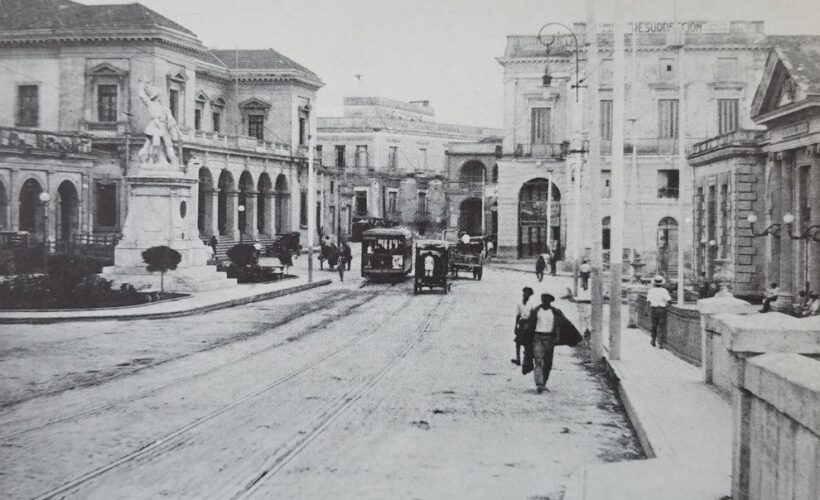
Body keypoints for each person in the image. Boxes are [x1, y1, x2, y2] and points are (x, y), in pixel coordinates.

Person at [523, 293, 580, 393]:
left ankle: (544, 381)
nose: (545, 301)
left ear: (550, 301)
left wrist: (557, 337)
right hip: (537, 337)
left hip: (549, 338)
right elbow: (529, 324)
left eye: (547, 300)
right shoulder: (536, 311)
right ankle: (539, 383)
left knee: (548, 361)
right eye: (543, 299)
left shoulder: (555, 312)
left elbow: (562, 324)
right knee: (538, 360)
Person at [512, 287, 535, 366]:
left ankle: (527, 360)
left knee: (527, 342)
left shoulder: (531, 304)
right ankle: (518, 358)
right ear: (523, 294)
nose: (526, 296)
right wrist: (516, 326)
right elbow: (518, 316)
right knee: (518, 341)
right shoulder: (519, 303)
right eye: (525, 294)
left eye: (528, 295)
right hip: (522, 323)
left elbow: (533, 314)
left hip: (528, 323)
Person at [647, 275, 672, 348]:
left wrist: (647, 310)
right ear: (661, 283)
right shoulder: (664, 291)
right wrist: (668, 305)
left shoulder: (651, 290)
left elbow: (648, 301)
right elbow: (669, 300)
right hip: (662, 310)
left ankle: (653, 340)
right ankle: (660, 343)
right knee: (661, 326)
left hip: (654, 310)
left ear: (654, 283)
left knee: (654, 326)